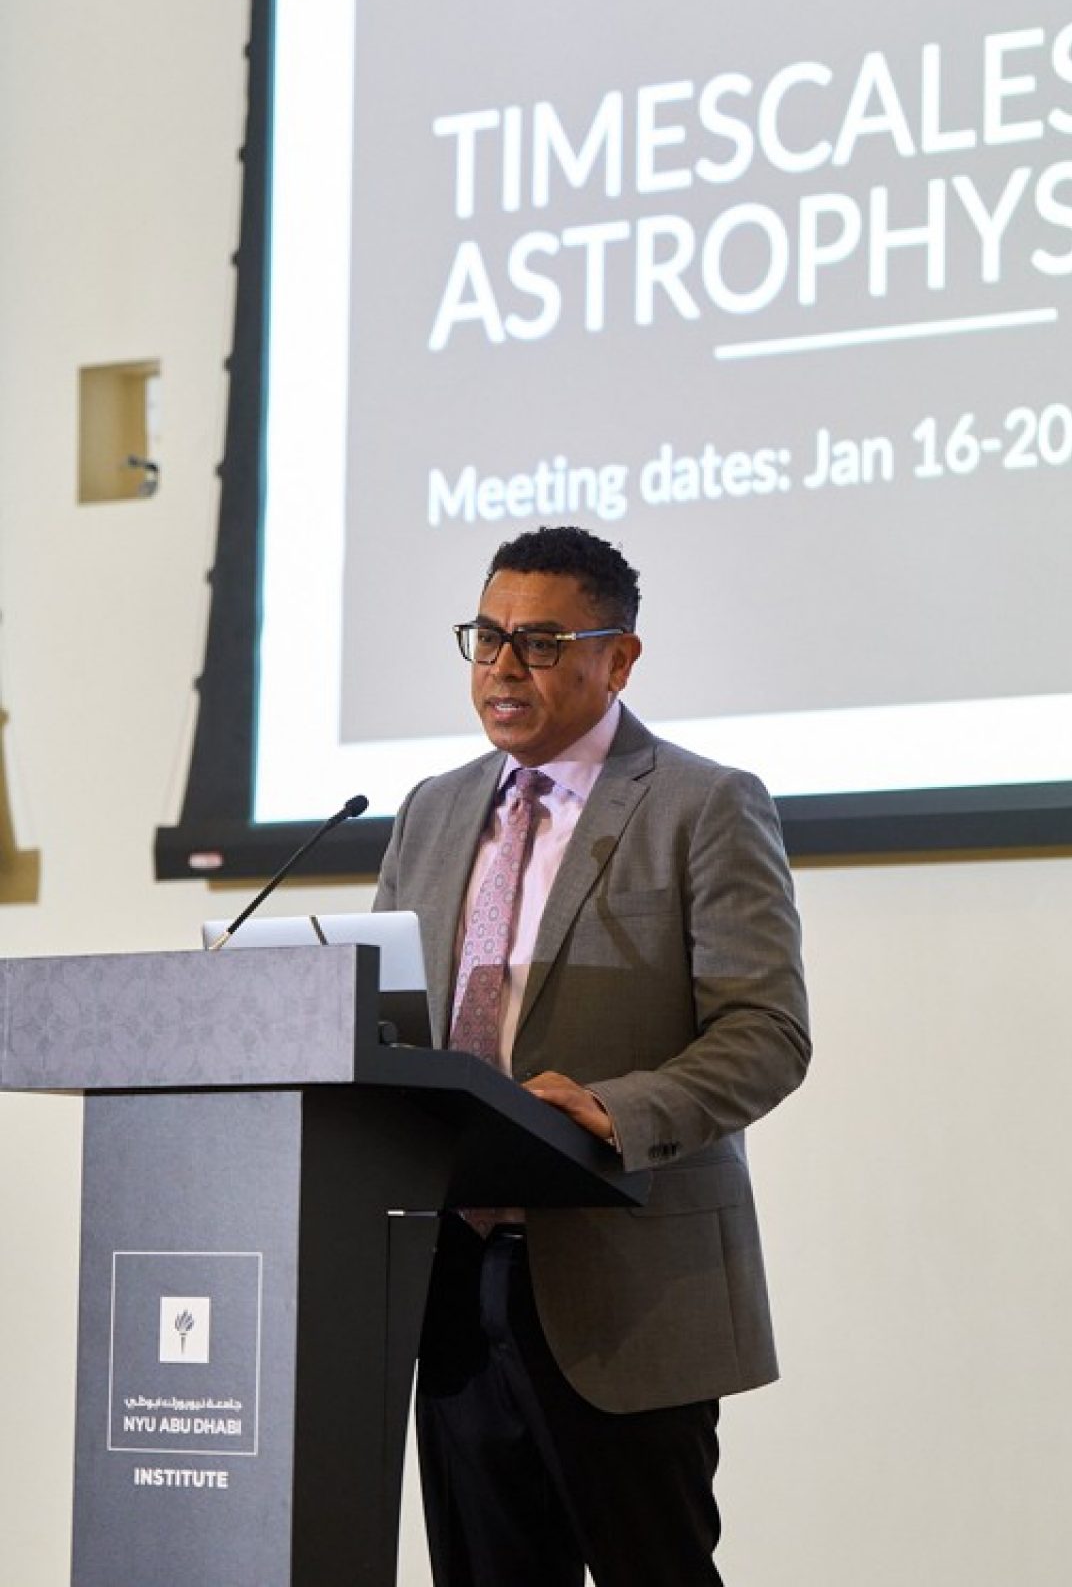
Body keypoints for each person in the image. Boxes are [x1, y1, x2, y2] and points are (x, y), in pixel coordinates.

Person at [375, 525, 810, 1587]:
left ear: (618, 659)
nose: (502, 667)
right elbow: (384, 1022)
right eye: (486, 637)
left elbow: (766, 1031)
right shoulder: (431, 810)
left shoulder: (702, 804)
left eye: (539, 642)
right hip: (449, 1279)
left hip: (627, 1281)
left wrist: (615, 1111)